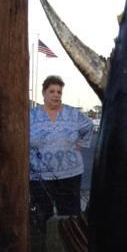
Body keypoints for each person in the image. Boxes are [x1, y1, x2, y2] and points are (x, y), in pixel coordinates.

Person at [29, 75, 93, 222]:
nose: (56, 95)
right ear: (44, 94)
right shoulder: (31, 116)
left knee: (70, 216)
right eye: (52, 91)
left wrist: (81, 143)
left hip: (70, 175)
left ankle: (70, 243)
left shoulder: (73, 114)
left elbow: (89, 126)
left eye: (59, 92)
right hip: (39, 177)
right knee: (41, 216)